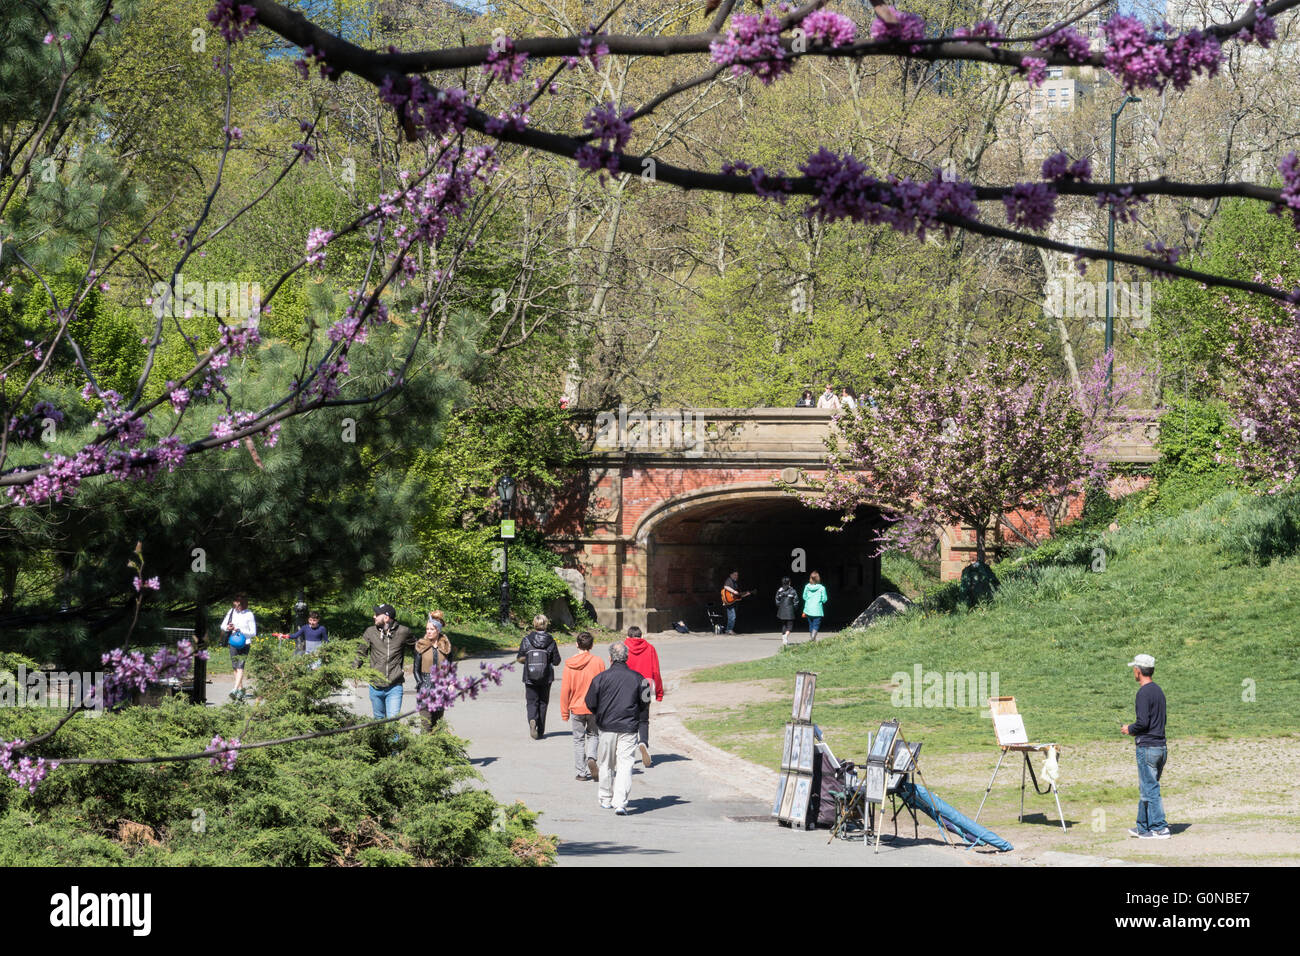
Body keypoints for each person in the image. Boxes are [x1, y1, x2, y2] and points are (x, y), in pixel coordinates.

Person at [584, 641, 651, 815]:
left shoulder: (600, 678)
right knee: (625, 764)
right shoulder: (640, 679)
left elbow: (589, 701)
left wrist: (599, 715)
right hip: (628, 727)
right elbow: (646, 701)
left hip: (606, 727)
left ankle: (605, 798)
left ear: (610, 658)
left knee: (606, 763)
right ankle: (620, 802)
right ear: (627, 657)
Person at [1120, 653, 1170, 839]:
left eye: (1134, 668)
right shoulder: (1158, 691)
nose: (1133, 671)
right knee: (1147, 787)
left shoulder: (1143, 693)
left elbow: (1142, 723)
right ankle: (1143, 827)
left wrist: (1129, 729)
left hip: (1147, 747)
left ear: (1138, 671)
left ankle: (1159, 827)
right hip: (1160, 747)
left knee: (1150, 788)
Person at [354, 603, 416, 721]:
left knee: (393, 721)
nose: (374, 616)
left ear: (386, 618)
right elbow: (361, 653)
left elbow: (418, 650)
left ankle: (395, 740)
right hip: (375, 686)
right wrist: (353, 670)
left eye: (377, 614)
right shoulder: (370, 632)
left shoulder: (403, 632)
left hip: (394, 685)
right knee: (379, 721)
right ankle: (380, 740)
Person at [560, 631, 606, 781]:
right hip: (594, 707)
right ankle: (592, 757)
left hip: (576, 707)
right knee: (593, 735)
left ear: (576, 644)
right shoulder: (598, 662)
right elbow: (604, 686)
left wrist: (564, 712)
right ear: (592, 645)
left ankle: (581, 772)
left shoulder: (569, 664)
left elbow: (566, 689)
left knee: (578, 740)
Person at [516, 613, 561, 739]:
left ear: (534, 624)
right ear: (545, 624)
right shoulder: (551, 641)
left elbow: (519, 658)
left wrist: (529, 660)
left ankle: (532, 719)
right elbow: (557, 661)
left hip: (530, 676)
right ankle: (540, 730)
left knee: (531, 701)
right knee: (543, 702)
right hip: (546, 677)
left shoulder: (526, 640)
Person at [623, 626, 663, 768]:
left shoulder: (623, 647)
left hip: (627, 686)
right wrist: (659, 692)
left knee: (628, 719)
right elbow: (655, 671)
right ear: (642, 636)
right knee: (643, 719)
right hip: (646, 684)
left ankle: (628, 751)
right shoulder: (650, 648)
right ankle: (643, 742)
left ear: (628, 636)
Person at [414, 612, 452, 730]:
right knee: (426, 725)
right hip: (425, 687)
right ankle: (424, 747)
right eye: (427, 629)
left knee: (437, 725)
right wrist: (421, 685)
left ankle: (437, 747)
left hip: (440, 689)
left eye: (432, 629)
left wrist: (450, 683)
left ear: (438, 630)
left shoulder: (446, 647)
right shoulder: (421, 646)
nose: (428, 631)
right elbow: (416, 670)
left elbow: (449, 668)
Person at [220, 594, 257, 700]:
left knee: (240, 666)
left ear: (244, 603)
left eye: (239, 604)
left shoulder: (249, 614)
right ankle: (241, 690)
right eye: (236, 604)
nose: (237, 606)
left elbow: (253, 632)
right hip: (233, 642)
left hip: (245, 643)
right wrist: (228, 627)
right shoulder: (231, 611)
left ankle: (235, 689)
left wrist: (239, 630)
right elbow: (222, 626)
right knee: (235, 667)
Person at [802, 571, 828, 640]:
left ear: (811, 578)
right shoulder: (822, 588)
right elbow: (824, 599)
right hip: (817, 610)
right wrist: (820, 601)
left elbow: (804, 597)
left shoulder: (807, 587)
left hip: (808, 609)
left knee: (811, 625)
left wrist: (809, 600)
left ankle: (812, 640)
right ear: (818, 578)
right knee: (816, 625)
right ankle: (813, 638)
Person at [774, 576, 799, 646]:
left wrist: (780, 607)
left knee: (784, 625)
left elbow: (777, 600)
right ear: (789, 583)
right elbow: (796, 601)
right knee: (790, 627)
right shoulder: (792, 591)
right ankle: (785, 636)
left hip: (782, 610)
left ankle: (784, 640)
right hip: (790, 610)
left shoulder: (779, 590)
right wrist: (794, 608)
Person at [721, 570, 744, 634]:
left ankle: (729, 629)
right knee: (732, 616)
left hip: (732, 602)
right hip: (729, 602)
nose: (736, 576)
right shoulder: (729, 580)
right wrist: (734, 591)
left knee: (732, 616)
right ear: (731, 575)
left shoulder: (735, 583)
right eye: (735, 575)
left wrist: (743, 595)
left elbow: (736, 595)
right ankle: (729, 630)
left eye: (737, 575)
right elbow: (725, 586)